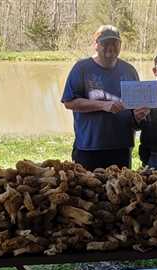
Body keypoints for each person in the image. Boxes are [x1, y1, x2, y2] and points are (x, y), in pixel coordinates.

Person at [61, 25, 149, 171]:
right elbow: (69, 102)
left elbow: (135, 108)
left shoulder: (129, 70)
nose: (111, 47)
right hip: (89, 147)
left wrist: (140, 115)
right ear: (96, 45)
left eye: (115, 43)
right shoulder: (81, 68)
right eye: (105, 43)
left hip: (121, 148)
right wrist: (103, 105)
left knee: (119, 190)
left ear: (120, 45)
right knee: (88, 191)